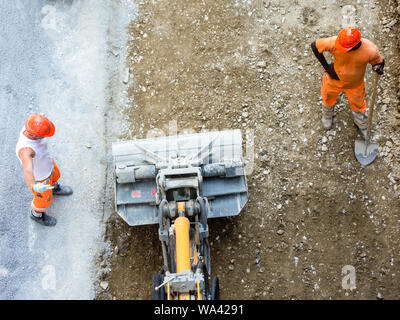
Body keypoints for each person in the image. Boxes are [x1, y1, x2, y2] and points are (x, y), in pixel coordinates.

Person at [311, 27, 385, 137]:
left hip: (355, 85)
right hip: (334, 80)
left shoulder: (370, 50)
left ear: (355, 45)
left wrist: (378, 67)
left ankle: (361, 123)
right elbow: (315, 46)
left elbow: (379, 62)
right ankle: (327, 115)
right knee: (327, 97)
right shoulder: (335, 42)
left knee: (359, 105)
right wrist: (327, 67)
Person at [16, 113, 73, 227]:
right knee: (43, 200)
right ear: (35, 135)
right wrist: (34, 186)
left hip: (47, 165)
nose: (45, 136)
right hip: (40, 179)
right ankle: (36, 215)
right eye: (44, 135)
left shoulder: (30, 126)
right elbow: (27, 170)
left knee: (55, 175)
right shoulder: (26, 150)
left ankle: (54, 188)